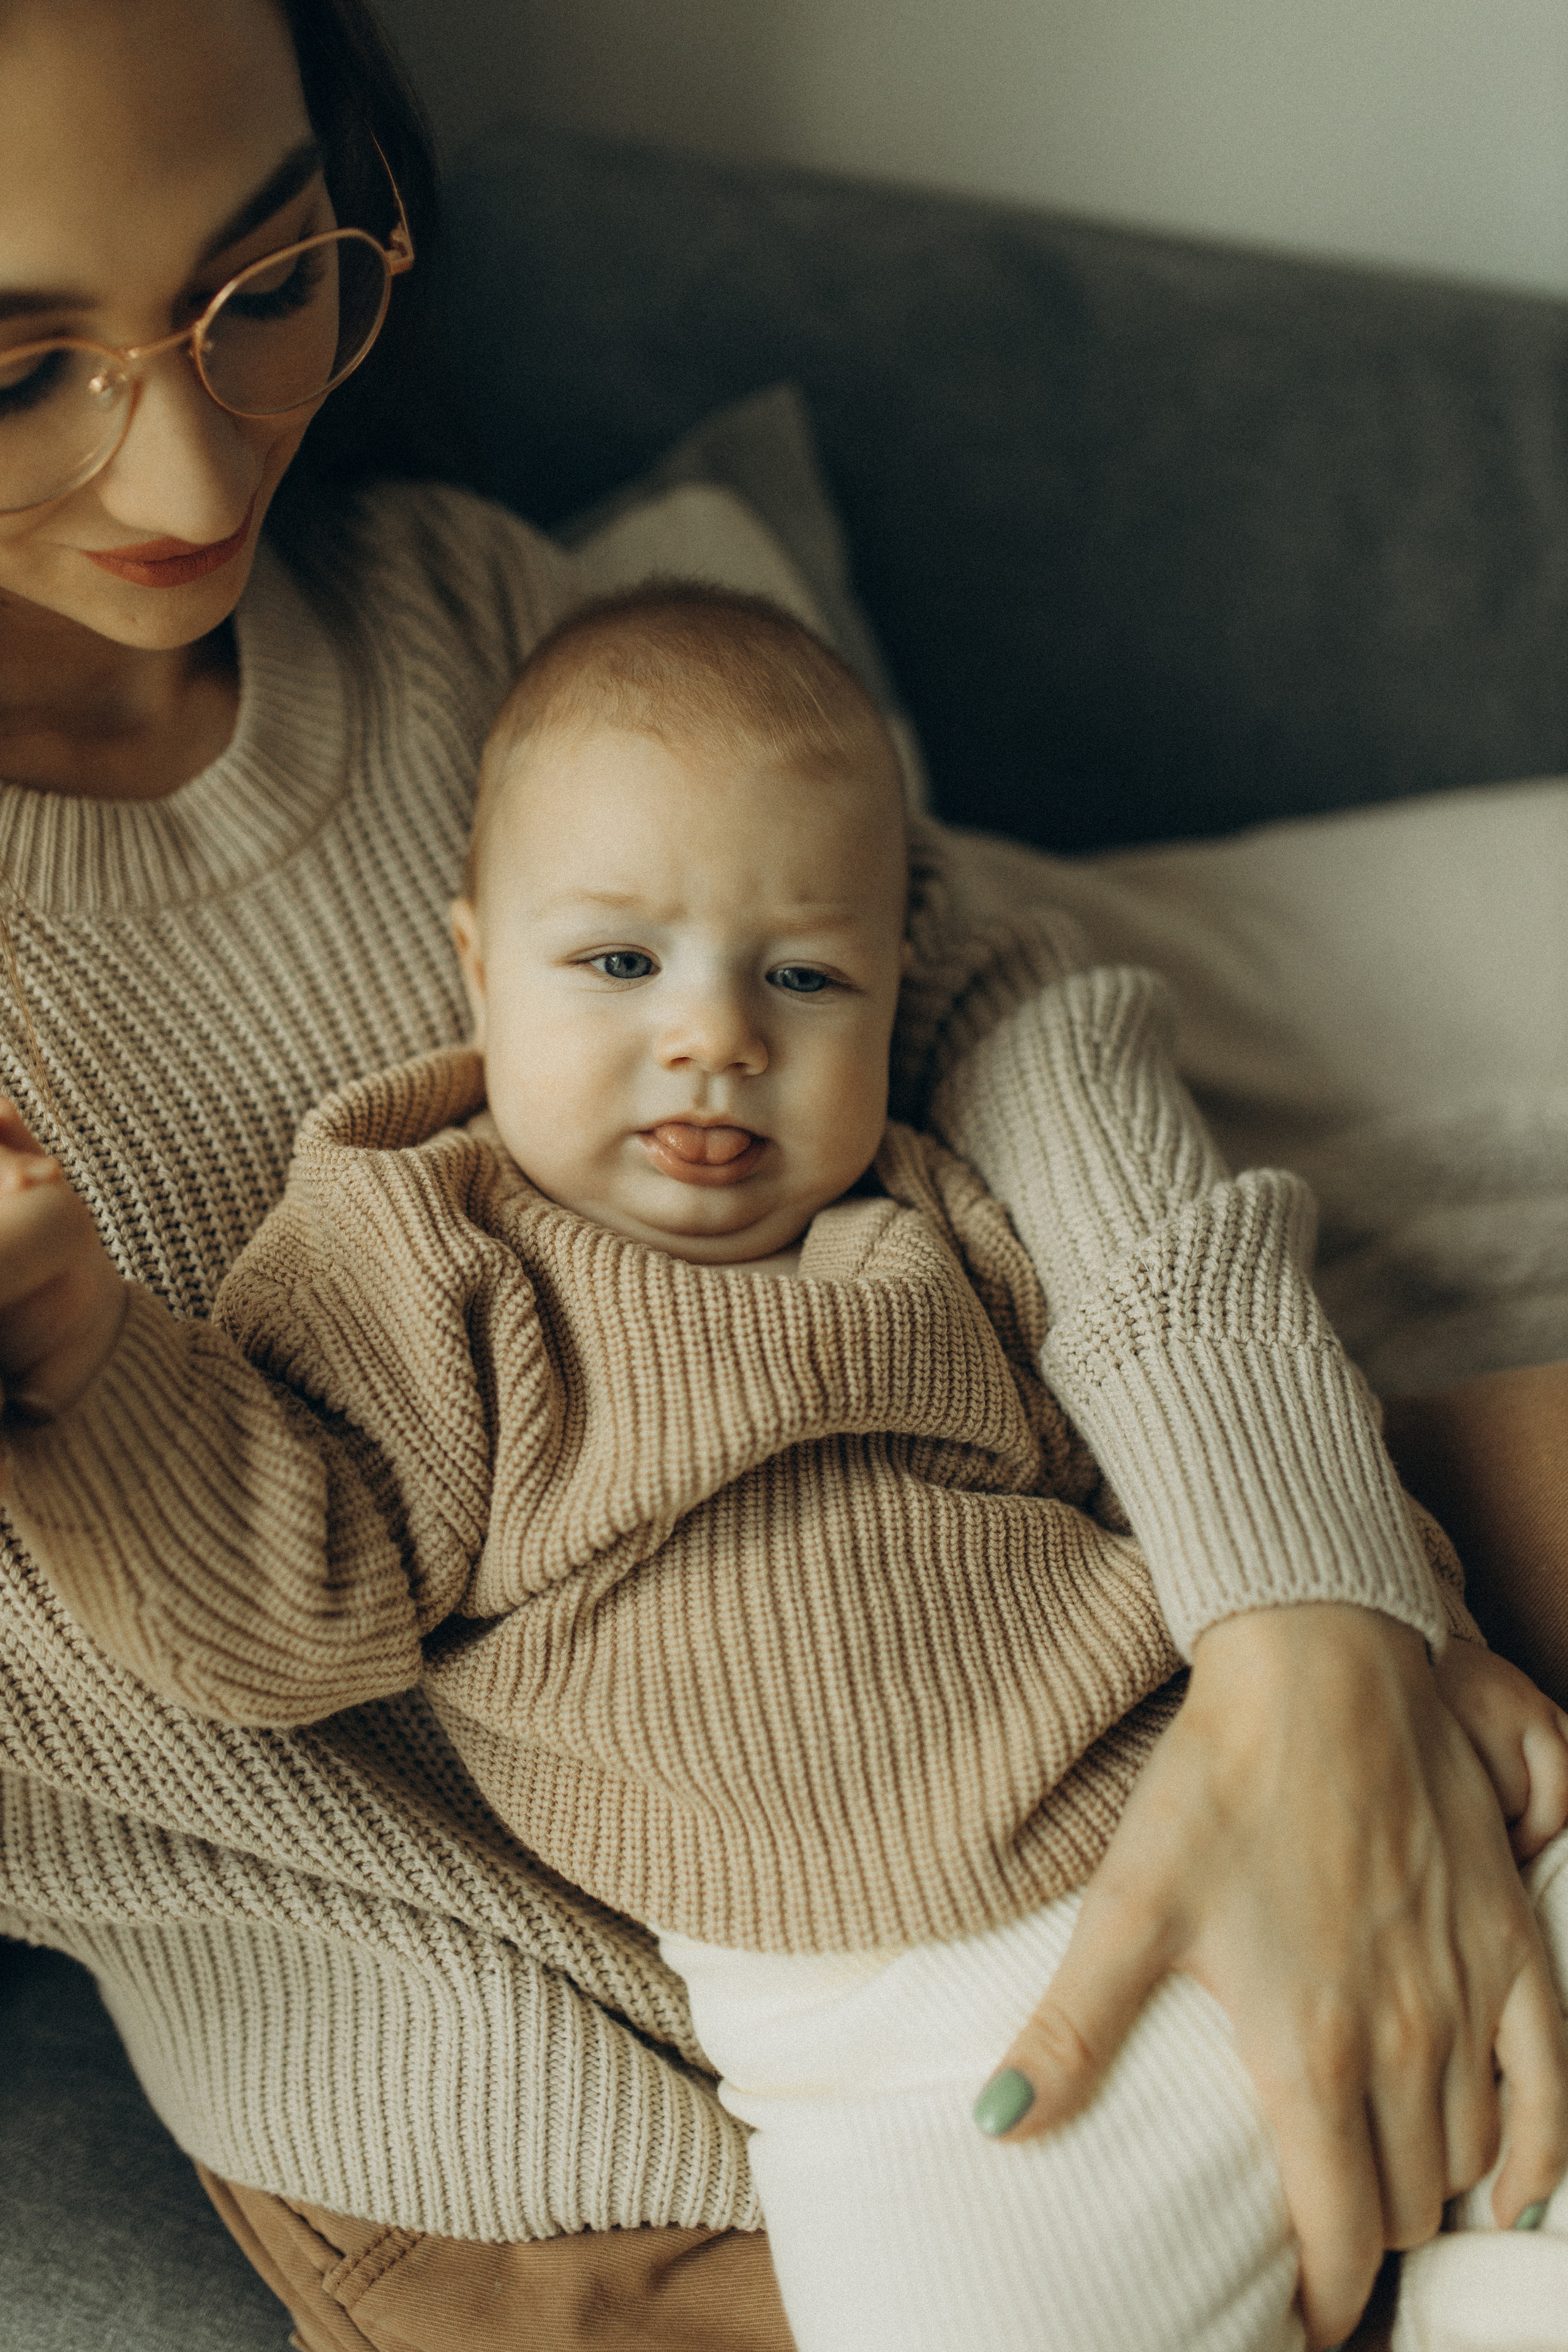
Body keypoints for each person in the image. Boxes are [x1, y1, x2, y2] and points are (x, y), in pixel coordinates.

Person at [0, 4, 1562, 2348]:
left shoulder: (463, 610)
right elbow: (225, 1673)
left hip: (1025, 1561)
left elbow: (985, 994)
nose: (194, 454)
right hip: (585, 2042)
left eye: (268, 279)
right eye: (18, 369)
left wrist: (1306, 1610)